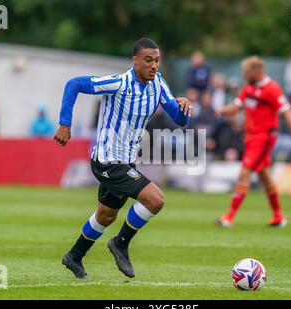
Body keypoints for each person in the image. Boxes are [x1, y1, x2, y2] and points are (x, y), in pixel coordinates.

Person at [54, 38, 192, 279]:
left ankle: (74, 256)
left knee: (106, 215)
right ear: (135, 60)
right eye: (148, 60)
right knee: (155, 200)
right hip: (107, 161)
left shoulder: (158, 84)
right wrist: (65, 123)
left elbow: (180, 121)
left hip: (126, 161)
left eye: (157, 60)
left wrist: (183, 107)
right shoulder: (118, 83)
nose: (154, 65)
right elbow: (73, 84)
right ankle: (120, 243)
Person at [214, 56, 291, 228]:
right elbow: (237, 106)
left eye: (246, 72)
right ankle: (278, 217)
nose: (244, 75)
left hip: (264, 138)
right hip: (251, 137)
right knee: (265, 176)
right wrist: (224, 111)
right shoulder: (248, 87)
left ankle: (229, 217)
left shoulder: (272, 89)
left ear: (257, 71)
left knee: (245, 172)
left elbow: (289, 113)